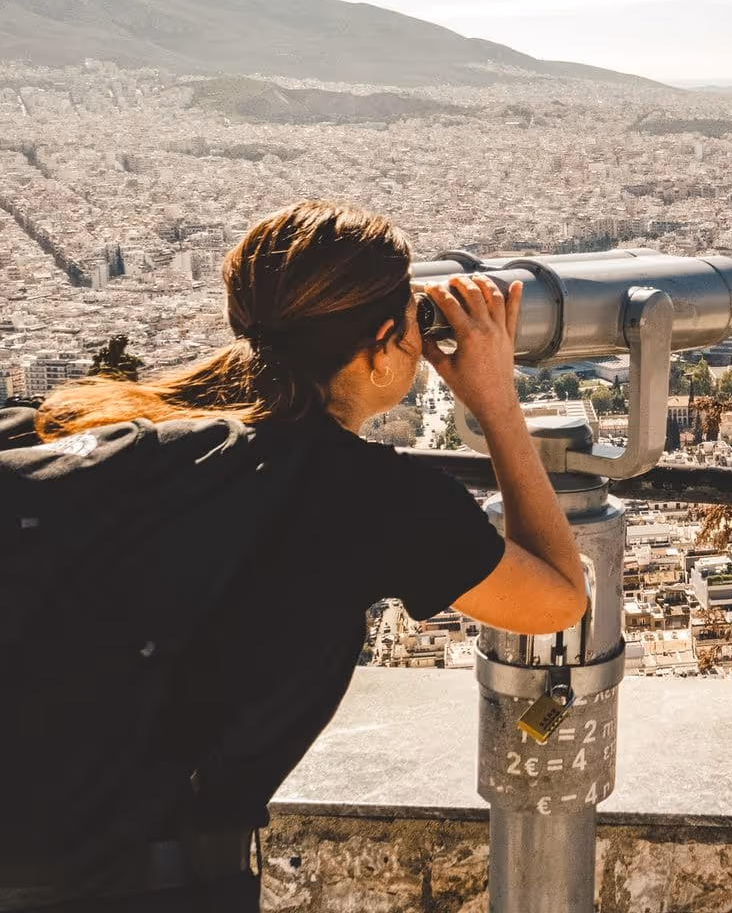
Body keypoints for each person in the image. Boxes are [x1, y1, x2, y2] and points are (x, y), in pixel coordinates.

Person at [16, 200, 587, 912]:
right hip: (158, 883)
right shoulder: (377, 500)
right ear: (384, 344)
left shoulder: (118, 429)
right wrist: (497, 400)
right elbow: (559, 598)